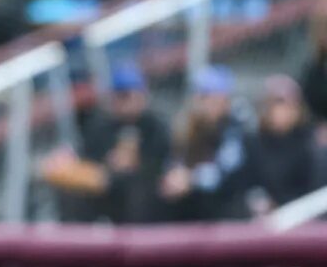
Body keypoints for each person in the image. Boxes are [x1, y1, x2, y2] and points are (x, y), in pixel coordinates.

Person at [40, 61, 171, 224]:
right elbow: (87, 158)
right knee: (72, 192)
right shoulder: (101, 125)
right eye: (119, 95)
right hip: (105, 191)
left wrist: (135, 164)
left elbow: (163, 163)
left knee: (140, 191)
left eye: (128, 95)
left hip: (143, 193)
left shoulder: (155, 126)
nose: (123, 102)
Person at [160, 66, 259, 221]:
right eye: (198, 94)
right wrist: (173, 177)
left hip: (230, 216)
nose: (199, 101)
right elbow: (175, 160)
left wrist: (191, 179)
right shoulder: (190, 128)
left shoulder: (237, 129)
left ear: (224, 99)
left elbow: (223, 173)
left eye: (206, 95)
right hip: (197, 215)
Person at [250, 74, 319, 214]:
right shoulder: (253, 142)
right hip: (261, 220)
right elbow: (248, 184)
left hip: (301, 217)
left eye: (290, 106)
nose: (284, 112)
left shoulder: (310, 143)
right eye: (278, 105)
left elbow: (312, 190)